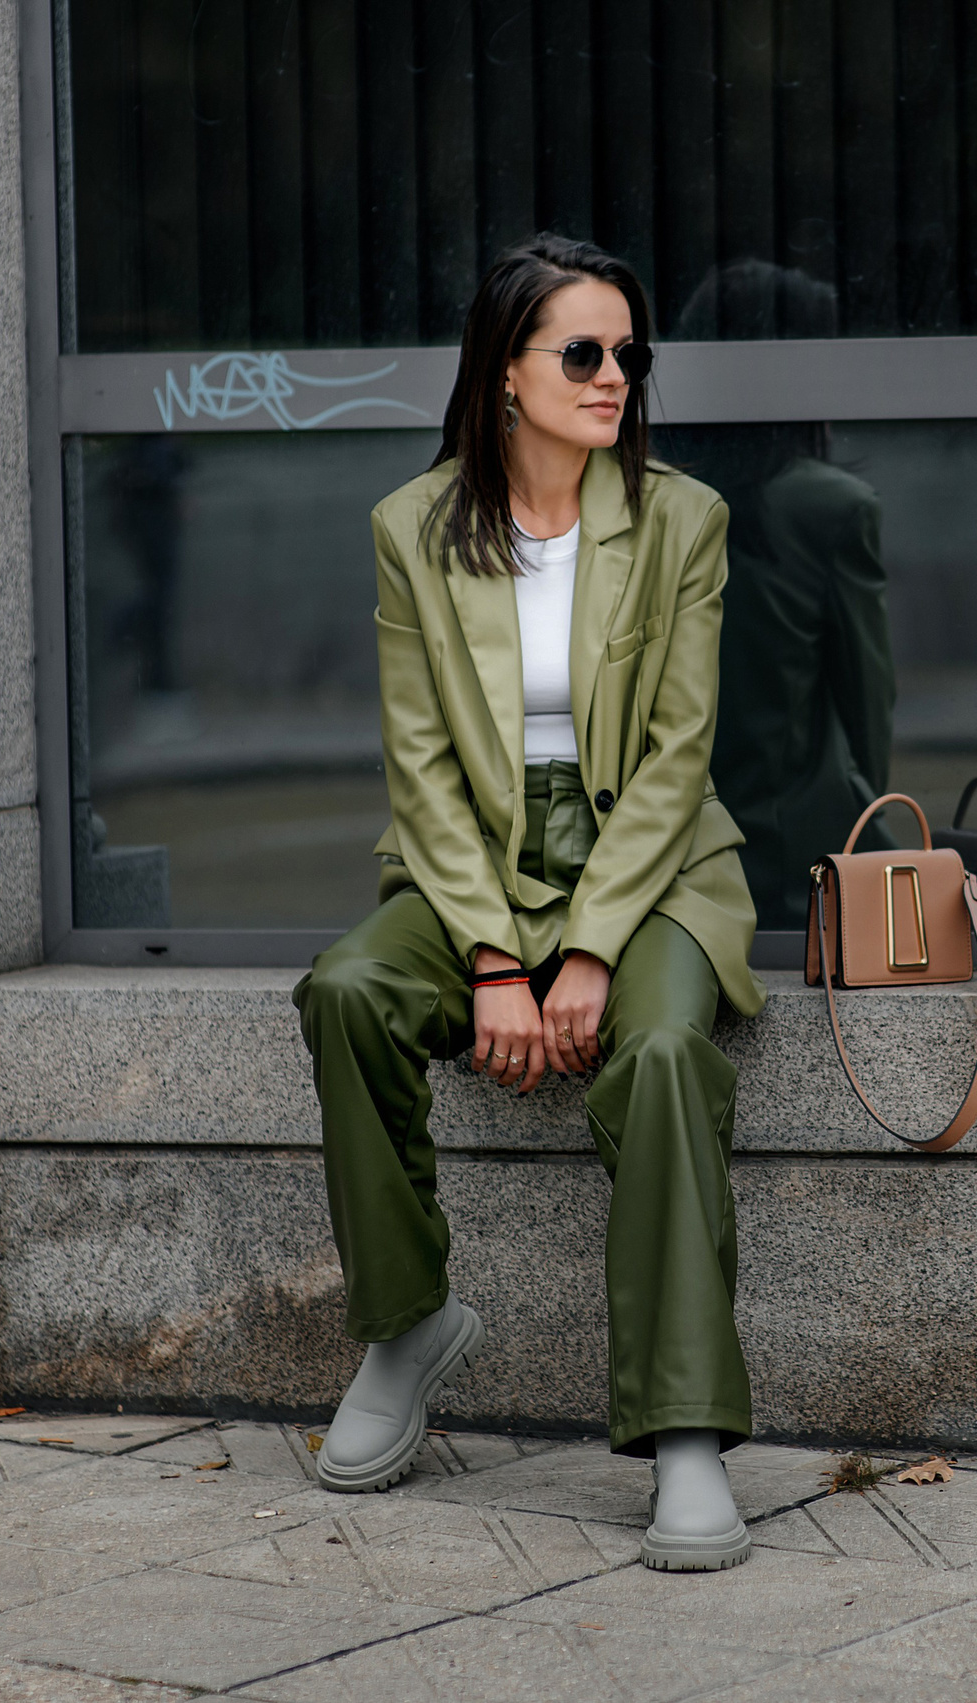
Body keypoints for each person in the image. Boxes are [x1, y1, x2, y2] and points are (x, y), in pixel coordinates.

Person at [292, 234, 765, 1573]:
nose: (613, 375)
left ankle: (682, 1433)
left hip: (651, 866)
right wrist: (500, 953)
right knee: (350, 987)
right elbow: (424, 764)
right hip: (477, 865)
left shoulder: (684, 519)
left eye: (629, 353)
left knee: (667, 1052)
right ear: (507, 370)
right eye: (582, 351)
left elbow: (677, 762)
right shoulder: (412, 528)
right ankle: (406, 1324)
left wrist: (596, 949)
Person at [668, 263, 896, 927]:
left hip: (668, 855)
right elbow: (868, 708)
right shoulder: (830, 507)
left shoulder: (648, 497)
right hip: (800, 860)